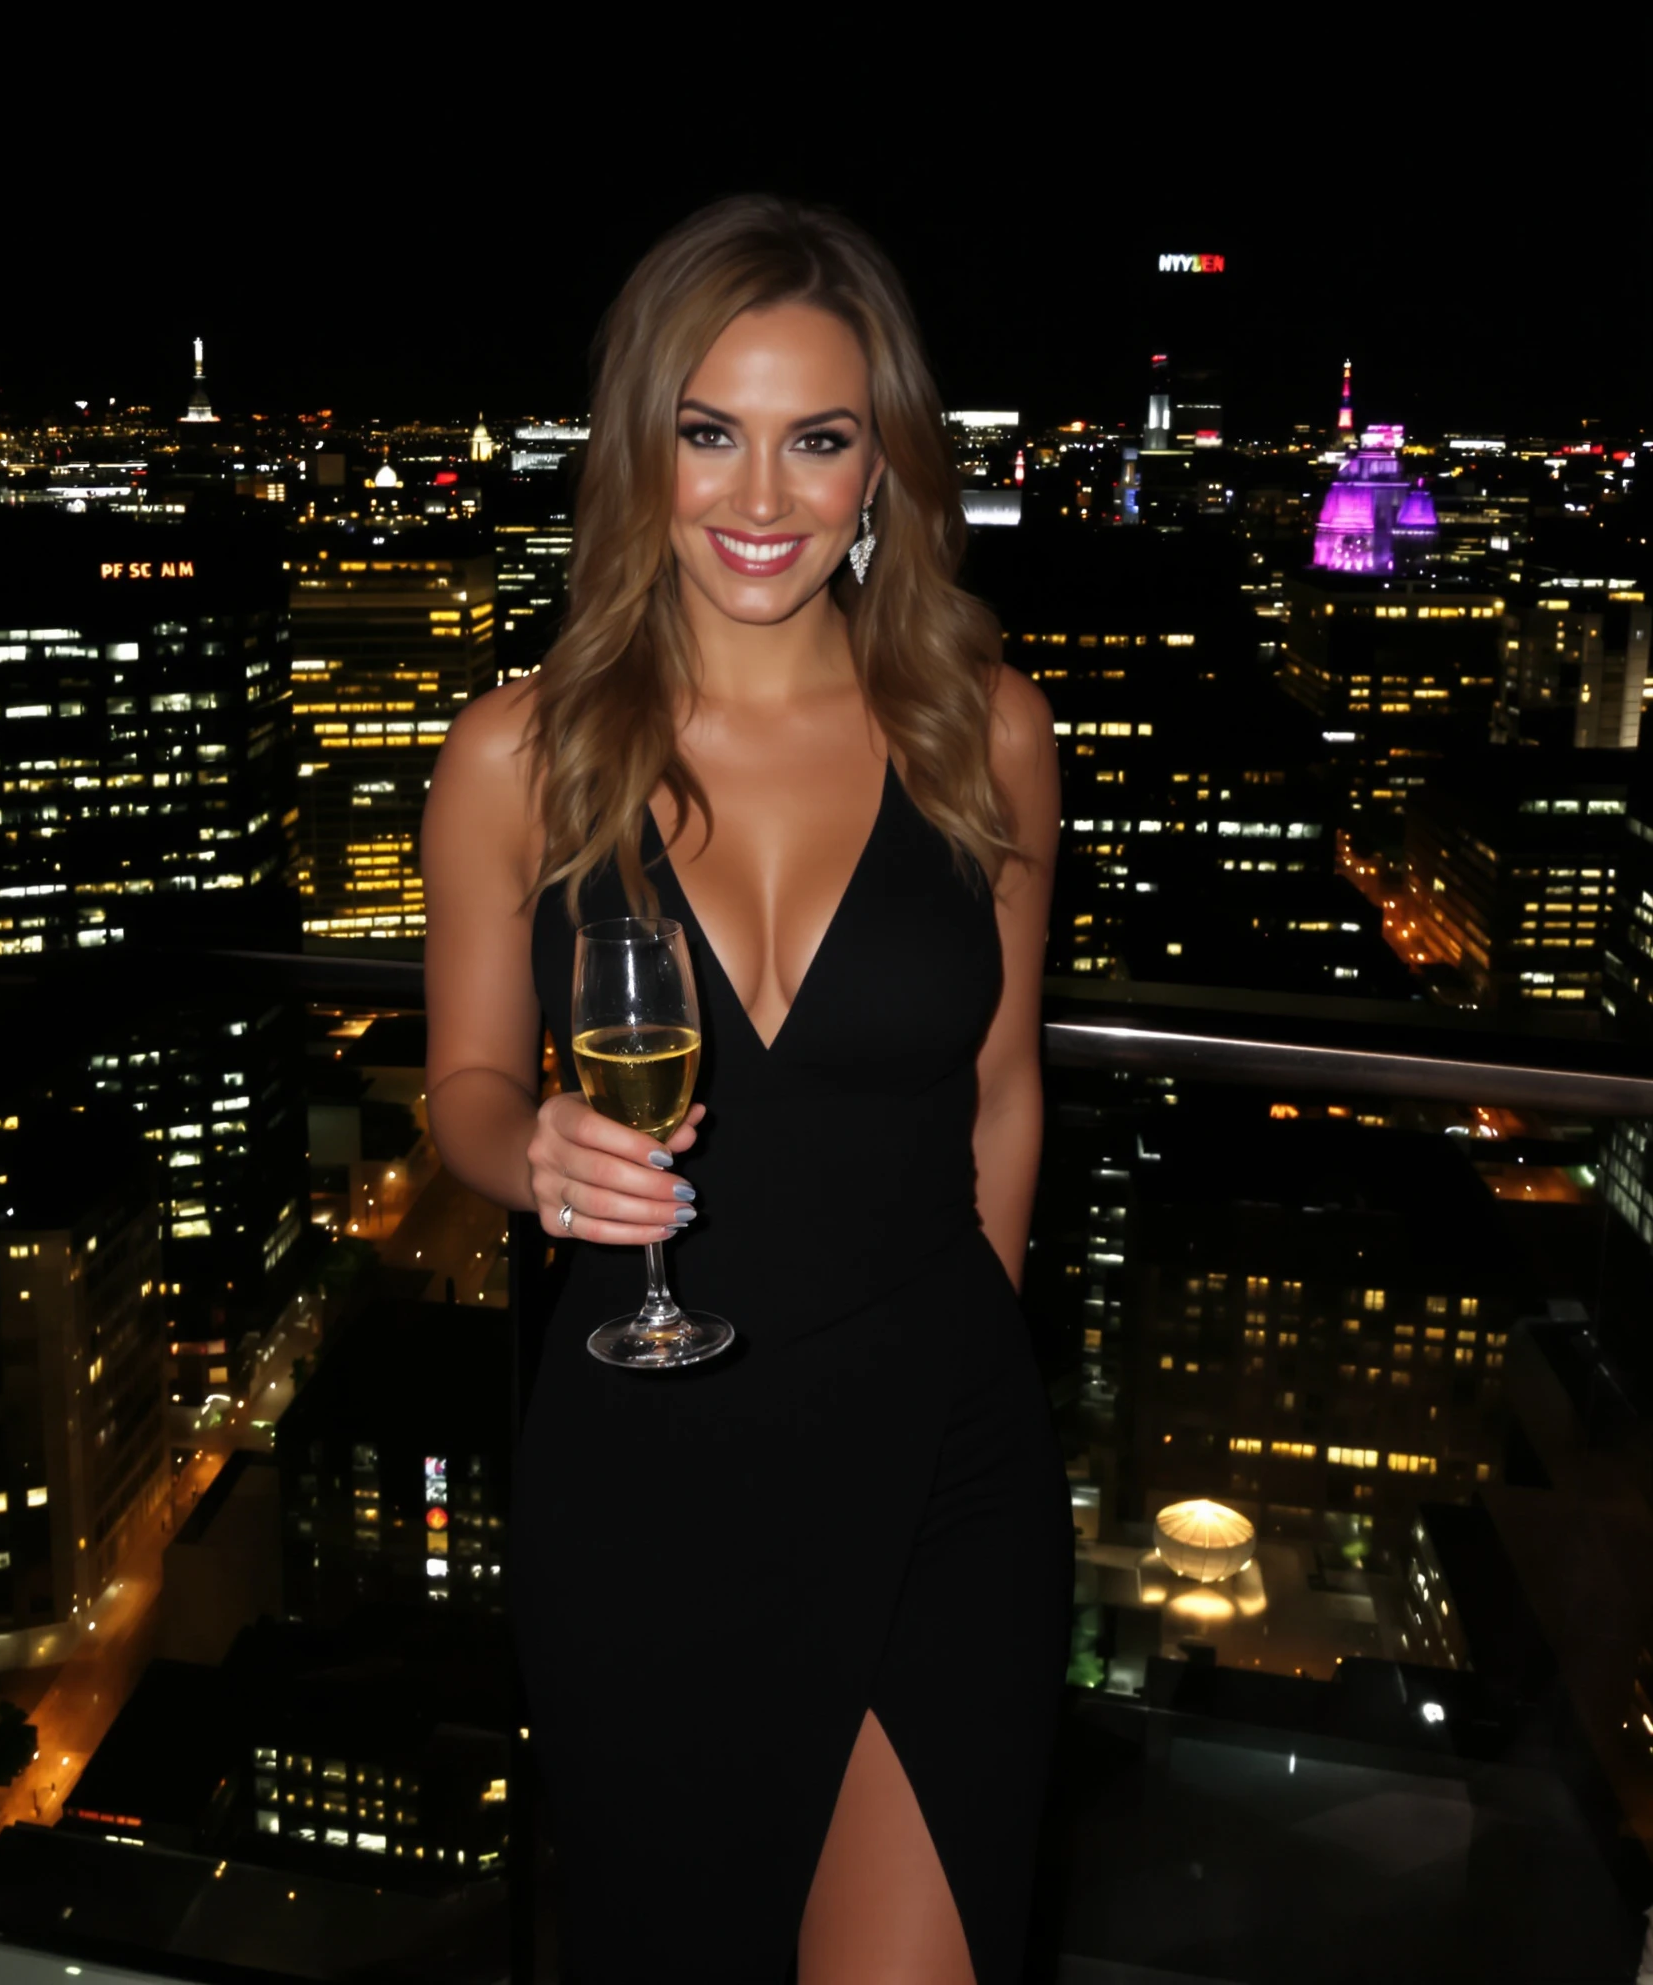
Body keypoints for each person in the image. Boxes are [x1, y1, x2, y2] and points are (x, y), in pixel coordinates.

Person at [420, 195, 1070, 1984]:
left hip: (942, 1461)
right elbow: (463, 1085)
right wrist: (532, 1153)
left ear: (885, 466)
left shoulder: (990, 731)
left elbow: (1004, 1093)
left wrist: (982, 1342)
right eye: (711, 433)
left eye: (819, 439)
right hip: (648, 1467)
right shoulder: (518, 752)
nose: (762, 496)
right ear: (643, 449)